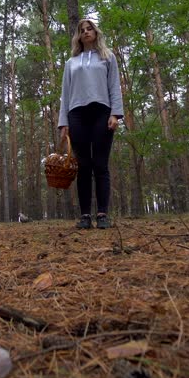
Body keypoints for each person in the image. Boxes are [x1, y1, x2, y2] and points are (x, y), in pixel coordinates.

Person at [58, 19, 124, 229]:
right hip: (76, 114)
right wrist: (63, 123)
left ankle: (103, 214)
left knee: (100, 164)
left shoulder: (107, 57)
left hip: (101, 112)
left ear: (96, 33)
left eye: (89, 29)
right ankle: (85, 215)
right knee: (84, 166)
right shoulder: (71, 63)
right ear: (78, 36)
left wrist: (116, 114)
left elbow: (115, 86)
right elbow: (65, 94)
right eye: (82, 30)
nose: (86, 32)